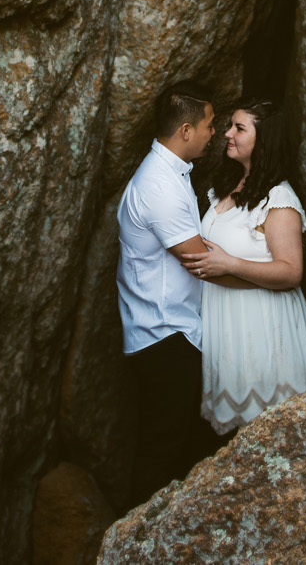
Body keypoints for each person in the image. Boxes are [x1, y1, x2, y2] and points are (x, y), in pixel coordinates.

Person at [179, 99, 306, 434]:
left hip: (264, 327)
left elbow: (291, 271)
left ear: (264, 140)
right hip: (227, 322)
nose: (227, 134)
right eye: (230, 125)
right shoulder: (227, 185)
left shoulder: (279, 199)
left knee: (271, 433)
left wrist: (229, 263)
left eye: (239, 128)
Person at [116, 80, 217, 506]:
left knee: (183, 446)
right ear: (186, 130)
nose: (215, 132)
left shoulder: (170, 173)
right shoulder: (159, 185)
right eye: (210, 124)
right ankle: (136, 537)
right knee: (162, 450)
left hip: (171, 331)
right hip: (163, 335)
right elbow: (199, 259)